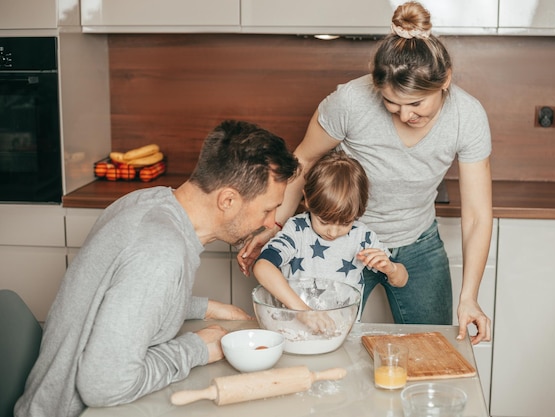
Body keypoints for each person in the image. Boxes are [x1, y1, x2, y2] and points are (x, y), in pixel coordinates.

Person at [238, 1, 493, 345]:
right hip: (341, 241)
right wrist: (275, 225)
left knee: (431, 346)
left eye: (417, 104)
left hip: (418, 242)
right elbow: (304, 161)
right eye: (392, 103)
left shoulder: (468, 116)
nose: (405, 115)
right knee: (323, 340)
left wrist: (469, 296)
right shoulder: (351, 102)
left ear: (444, 80)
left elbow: (477, 215)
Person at [15, 120, 300, 417]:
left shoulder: (148, 202)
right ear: (227, 200)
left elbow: (122, 295)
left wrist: (206, 307)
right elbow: (103, 385)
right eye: (268, 209)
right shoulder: (160, 251)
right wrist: (197, 349)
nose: (271, 223)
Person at [253, 150, 408, 321]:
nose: (333, 232)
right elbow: (262, 266)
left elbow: (402, 279)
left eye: (345, 223)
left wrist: (391, 269)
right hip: (294, 329)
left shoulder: (362, 237)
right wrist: (305, 313)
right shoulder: (297, 231)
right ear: (309, 199)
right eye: (324, 222)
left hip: (342, 333)